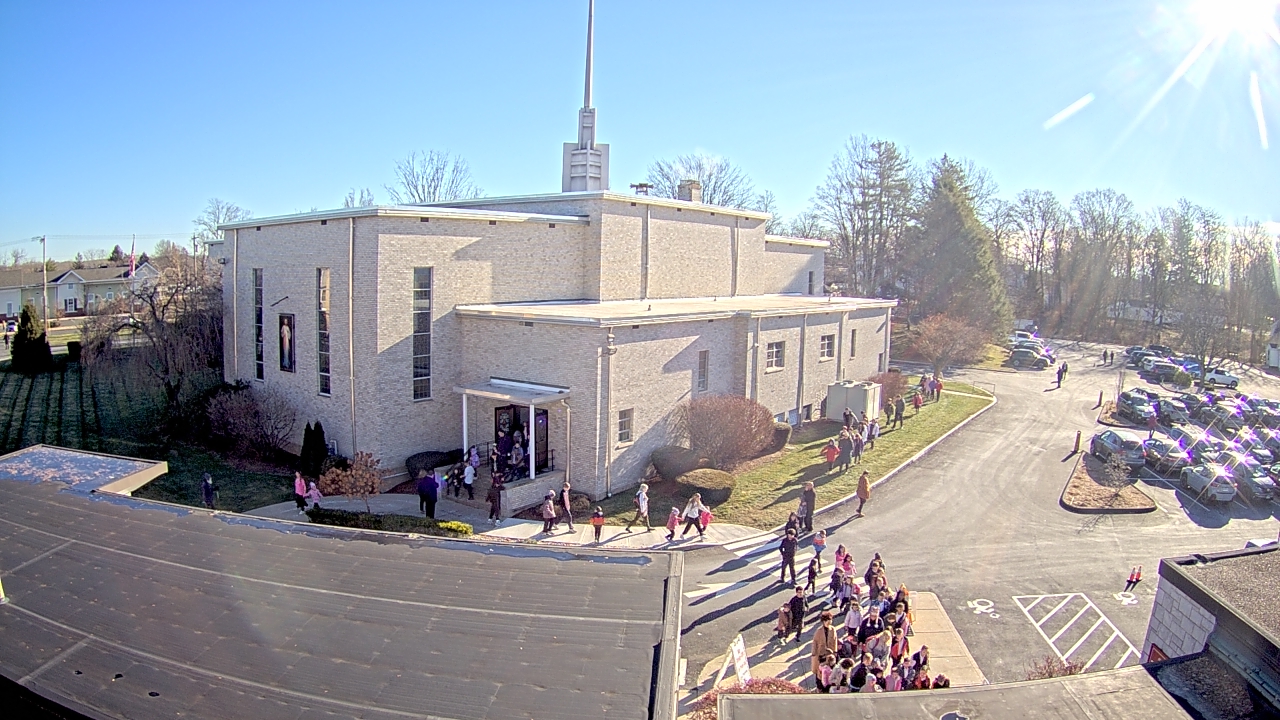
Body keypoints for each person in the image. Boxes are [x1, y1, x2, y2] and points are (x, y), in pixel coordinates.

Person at [811, 610, 839, 684]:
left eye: (830, 620)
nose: (829, 622)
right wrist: (814, 654)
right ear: (823, 621)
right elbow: (815, 642)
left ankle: (828, 682)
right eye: (828, 621)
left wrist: (835, 651)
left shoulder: (833, 629)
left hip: (830, 654)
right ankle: (820, 683)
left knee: (830, 668)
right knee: (820, 670)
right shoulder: (819, 631)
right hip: (821, 654)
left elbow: (835, 640)